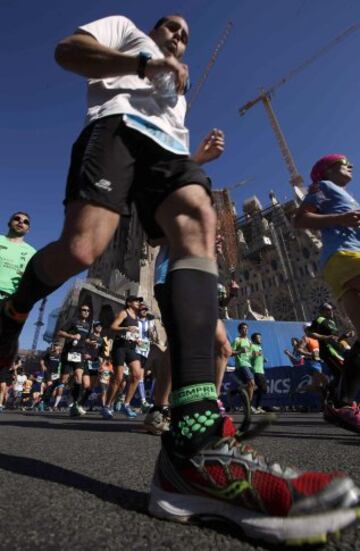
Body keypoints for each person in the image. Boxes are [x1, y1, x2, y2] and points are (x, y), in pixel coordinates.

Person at [0, 14, 358, 545]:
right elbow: (67, 52)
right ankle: (13, 310)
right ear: (155, 29)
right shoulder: (127, 33)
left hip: (169, 152)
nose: (179, 36)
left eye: (186, 34)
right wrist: (142, 62)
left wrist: (200, 158)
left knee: (197, 213)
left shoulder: (181, 86)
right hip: (117, 129)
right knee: (82, 248)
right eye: (171, 27)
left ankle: (194, 447)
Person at [294, 154, 360, 431]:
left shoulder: (342, 193)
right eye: (344, 162)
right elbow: (301, 219)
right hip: (346, 257)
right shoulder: (324, 187)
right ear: (327, 170)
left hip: (343, 260)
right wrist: (342, 217)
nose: (351, 165)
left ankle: (340, 402)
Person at [104, 295, 143, 419]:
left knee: (137, 375)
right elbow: (113, 327)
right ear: (129, 303)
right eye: (136, 301)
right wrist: (126, 328)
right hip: (120, 347)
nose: (138, 303)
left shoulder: (136, 317)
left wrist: (137, 340)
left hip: (131, 347)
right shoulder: (124, 313)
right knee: (118, 378)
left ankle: (126, 405)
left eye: (139, 301)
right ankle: (107, 406)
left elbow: (132, 333)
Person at [57, 304, 92, 416]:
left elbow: (84, 339)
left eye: (87, 311)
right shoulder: (73, 321)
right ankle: (60, 391)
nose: (86, 312)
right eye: (83, 310)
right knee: (64, 379)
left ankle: (75, 404)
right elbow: (60, 332)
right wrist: (71, 337)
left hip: (80, 353)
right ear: (80, 311)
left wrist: (89, 346)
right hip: (69, 352)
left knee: (78, 377)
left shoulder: (88, 325)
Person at [0, 212, 36, 301]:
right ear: (9, 223)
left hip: (7, 301)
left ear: (28, 230)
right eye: (17, 219)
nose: (21, 222)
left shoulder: (32, 253)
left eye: (25, 222)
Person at [230, 323, 255, 403]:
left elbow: (250, 354)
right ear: (239, 330)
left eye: (247, 328)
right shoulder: (237, 340)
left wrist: (255, 355)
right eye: (243, 328)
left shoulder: (249, 341)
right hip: (241, 364)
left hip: (249, 365)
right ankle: (249, 405)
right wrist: (240, 351)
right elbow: (230, 353)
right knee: (251, 383)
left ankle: (235, 392)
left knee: (249, 386)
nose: (246, 330)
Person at [250, 332, 267, 414]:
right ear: (254, 339)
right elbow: (249, 355)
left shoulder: (259, 347)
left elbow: (259, 356)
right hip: (256, 370)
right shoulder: (252, 346)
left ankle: (257, 406)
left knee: (263, 389)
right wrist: (255, 354)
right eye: (258, 338)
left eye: (260, 337)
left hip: (261, 370)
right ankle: (251, 405)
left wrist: (263, 359)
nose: (260, 339)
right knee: (262, 389)